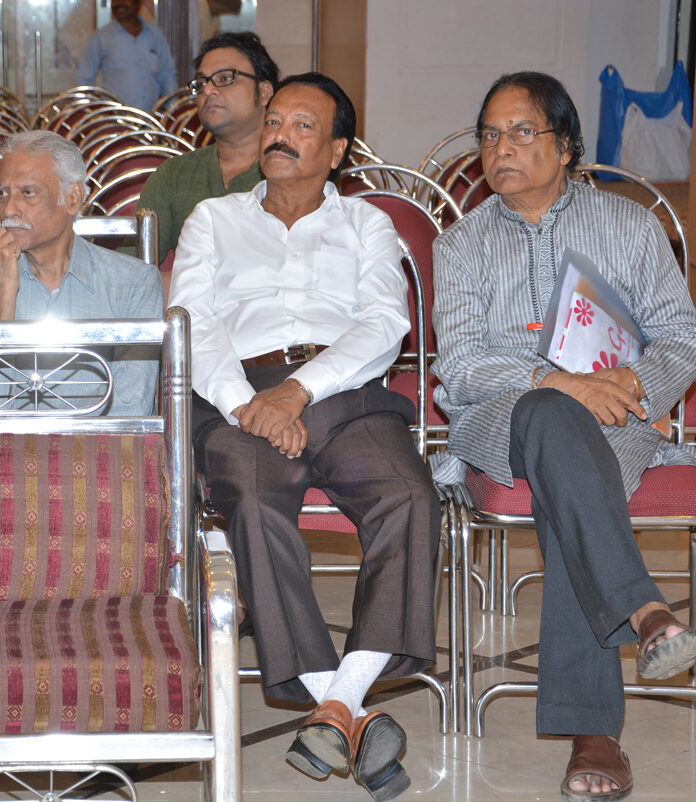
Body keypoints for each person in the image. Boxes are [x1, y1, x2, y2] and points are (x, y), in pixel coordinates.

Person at [169, 73, 439, 801]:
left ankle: (333, 706)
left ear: (339, 149)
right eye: (274, 120)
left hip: (345, 395)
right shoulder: (213, 219)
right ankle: (346, 705)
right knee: (253, 507)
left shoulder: (366, 224)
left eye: (303, 125)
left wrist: (299, 391)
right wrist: (245, 402)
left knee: (409, 497)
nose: (280, 134)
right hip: (240, 399)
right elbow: (190, 322)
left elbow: (386, 325)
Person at [431, 71, 696, 802]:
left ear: (567, 145)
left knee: (568, 473)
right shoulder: (461, 244)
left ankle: (595, 723)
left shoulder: (632, 225)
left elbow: (681, 336)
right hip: (500, 418)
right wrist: (564, 382)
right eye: (489, 135)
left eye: (522, 132)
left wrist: (631, 386)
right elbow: (460, 360)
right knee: (551, 421)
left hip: (617, 418)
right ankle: (641, 617)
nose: (501, 149)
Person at [0, 131, 161, 416]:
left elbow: (132, 409)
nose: (9, 209)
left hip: (99, 455)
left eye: (27, 193)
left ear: (72, 199)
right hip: (5, 455)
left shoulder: (134, 283)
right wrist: (3, 294)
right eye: (2, 193)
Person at [137, 31, 277, 289]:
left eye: (225, 79)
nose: (209, 90)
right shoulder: (174, 174)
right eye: (201, 84)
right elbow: (135, 268)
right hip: (193, 324)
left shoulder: (296, 170)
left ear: (264, 91)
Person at [76, 0, 176, 111]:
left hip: (151, 120)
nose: (119, 3)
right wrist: (92, 113)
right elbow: (85, 81)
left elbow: (167, 74)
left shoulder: (155, 35)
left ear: (139, 3)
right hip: (115, 121)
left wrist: (170, 109)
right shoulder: (100, 38)